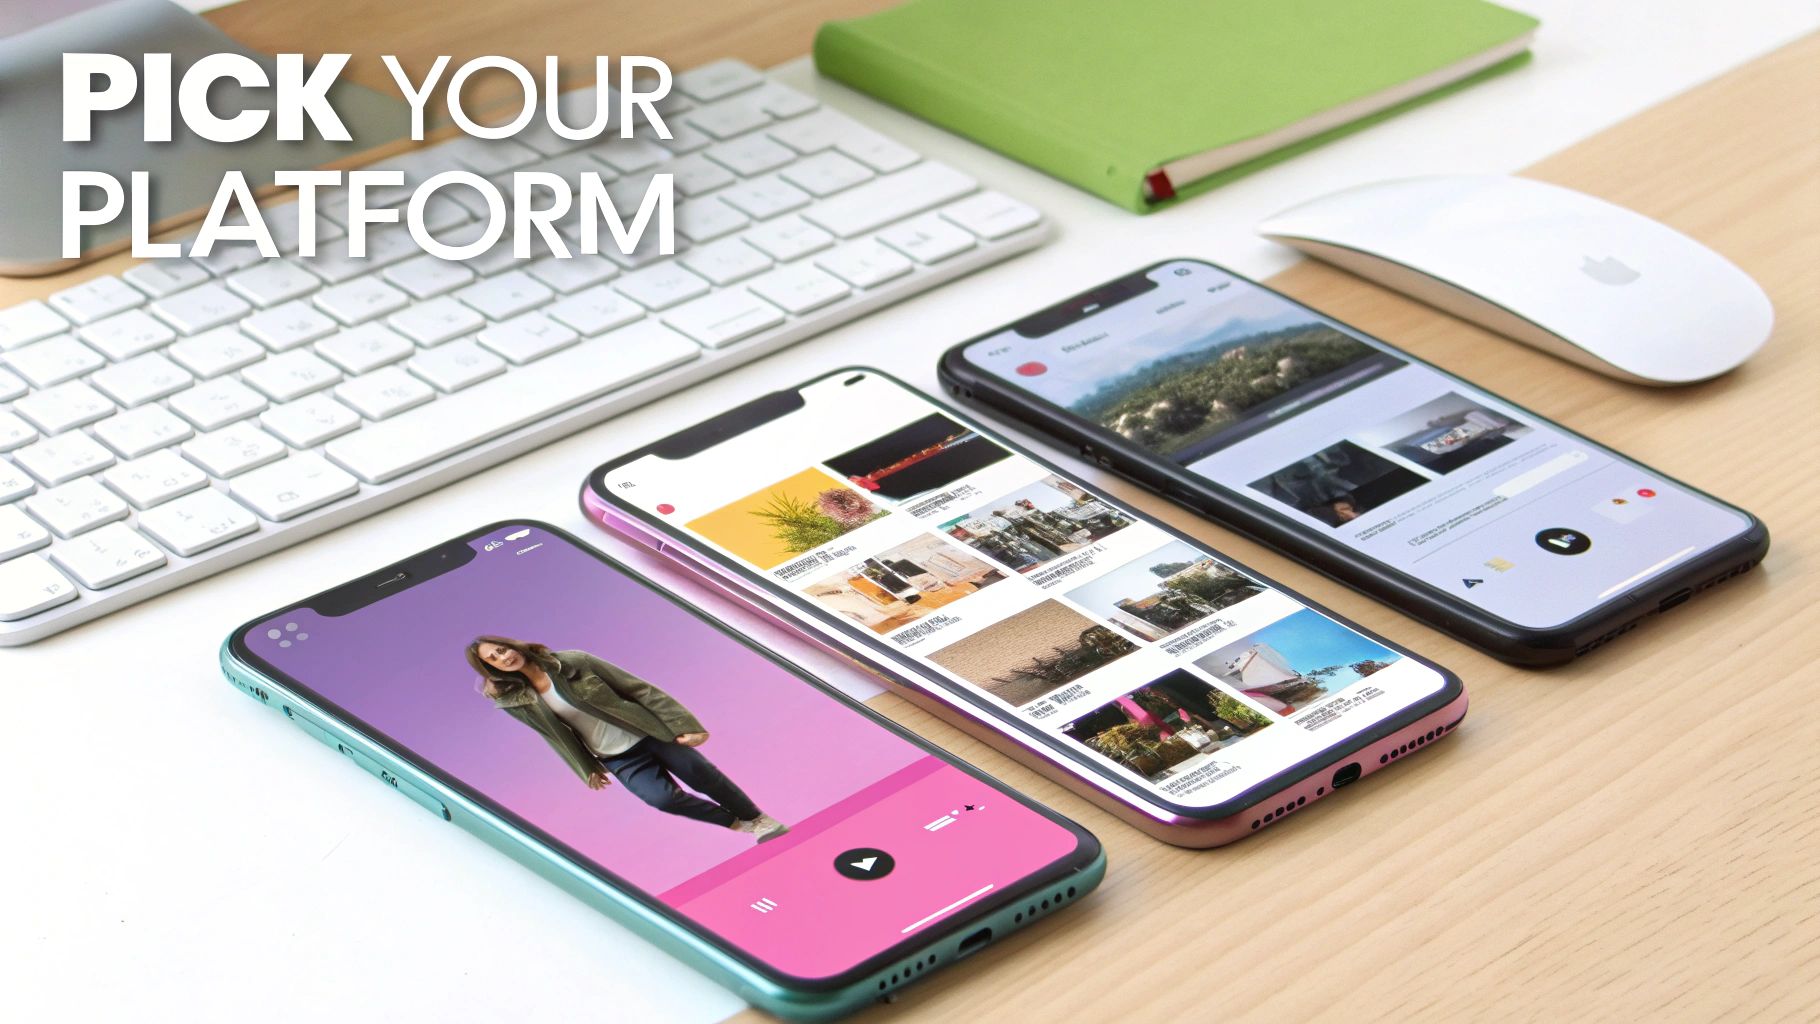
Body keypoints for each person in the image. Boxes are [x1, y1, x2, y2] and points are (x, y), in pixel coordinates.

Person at [467, 635, 788, 842]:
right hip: (616, 756)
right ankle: (736, 823)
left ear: (512, 645)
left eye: (502, 649)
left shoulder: (573, 661)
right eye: (493, 659)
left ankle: (758, 819)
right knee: (661, 798)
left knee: (702, 775)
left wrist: (684, 724)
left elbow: (639, 689)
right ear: (489, 668)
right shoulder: (519, 701)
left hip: (647, 731)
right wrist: (585, 768)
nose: (503, 657)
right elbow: (551, 737)